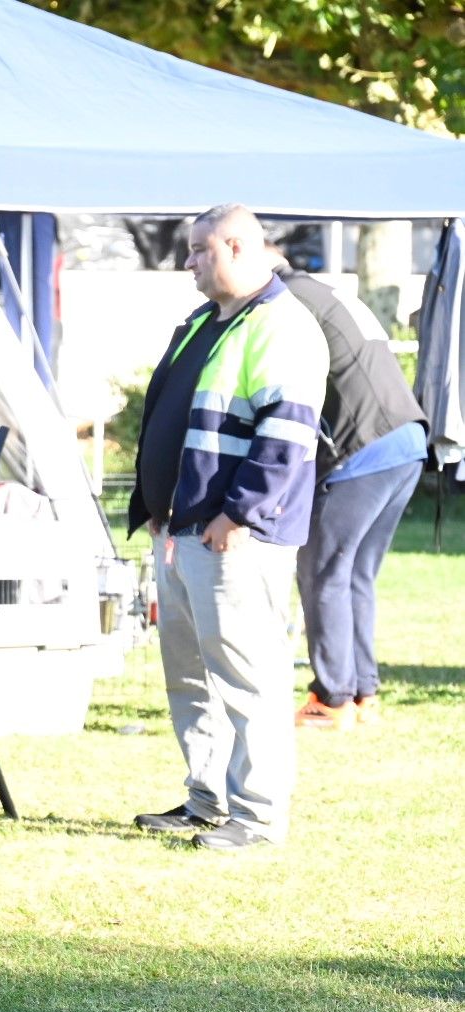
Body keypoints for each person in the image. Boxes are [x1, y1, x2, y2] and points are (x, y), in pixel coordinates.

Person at [127, 204, 327, 851]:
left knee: (248, 679)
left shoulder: (282, 326)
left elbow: (286, 436)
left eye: (197, 252)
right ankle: (206, 799)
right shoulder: (208, 322)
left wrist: (236, 514)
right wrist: (161, 508)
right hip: (184, 532)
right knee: (190, 676)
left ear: (237, 246)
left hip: (235, 538)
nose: (186, 264)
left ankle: (258, 818)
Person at [269, 251, 428, 730]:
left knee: (322, 571)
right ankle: (361, 692)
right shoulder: (319, 290)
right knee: (353, 573)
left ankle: (332, 696)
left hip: (365, 446)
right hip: (405, 438)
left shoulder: (285, 301)